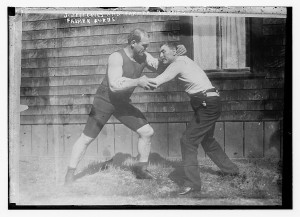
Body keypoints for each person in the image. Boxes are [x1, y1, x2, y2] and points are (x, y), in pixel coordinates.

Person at [64, 29, 186, 184]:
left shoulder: (144, 56)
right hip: (105, 101)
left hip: (121, 103)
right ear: (133, 43)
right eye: (144, 45)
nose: (146, 50)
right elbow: (114, 85)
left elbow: (159, 65)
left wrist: (176, 54)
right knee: (86, 138)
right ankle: (70, 174)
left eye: (148, 46)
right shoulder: (116, 57)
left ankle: (141, 169)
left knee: (147, 132)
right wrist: (137, 81)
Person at [148, 42, 239, 195]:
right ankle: (232, 171)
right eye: (159, 53)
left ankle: (192, 184)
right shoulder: (183, 60)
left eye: (163, 51)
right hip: (208, 102)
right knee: (207, 140)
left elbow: (159, 80)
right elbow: (158, 64)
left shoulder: (178, 63)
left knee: (188, 141)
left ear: (174, 51)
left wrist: (136, 82)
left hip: (206, 104)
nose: (161, 55)